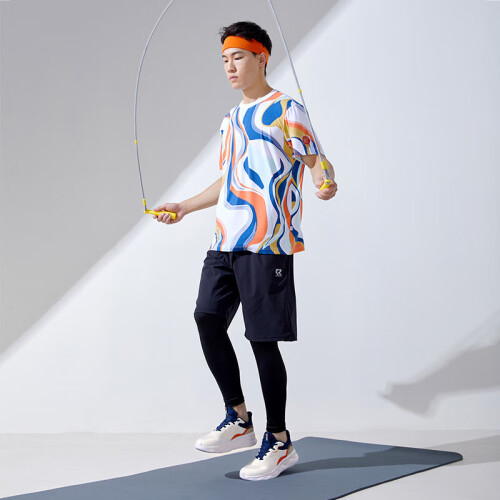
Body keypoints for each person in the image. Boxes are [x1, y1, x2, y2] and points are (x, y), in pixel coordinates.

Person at [152, 21, 337, 481]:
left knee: (261, 340)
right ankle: (238, 419)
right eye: (224, 59)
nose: (229, 66)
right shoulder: (231, 118)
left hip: (267, 242)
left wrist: (324, 181)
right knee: (207, 317)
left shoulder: (287, 108)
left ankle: (280, 441)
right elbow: (229, 178)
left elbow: (316, 159)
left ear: (261, 58)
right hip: (225, 240)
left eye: (237, 56)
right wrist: (184, 206)